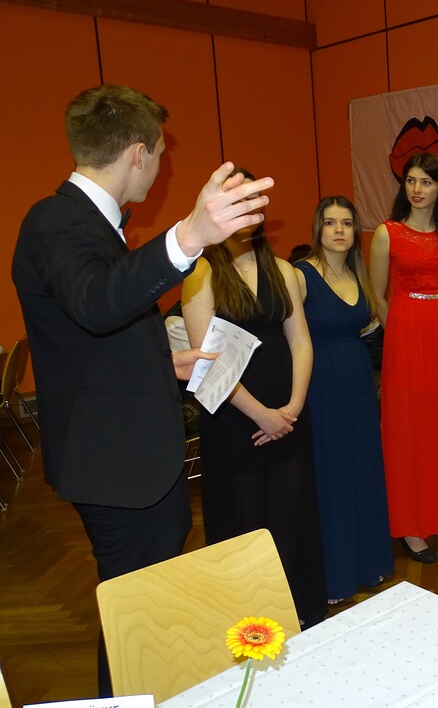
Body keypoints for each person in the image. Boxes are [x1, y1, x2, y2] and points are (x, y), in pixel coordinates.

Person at [11, 84, 273, 696]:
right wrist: (188, 235)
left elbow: (88, 333)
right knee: (138, 620)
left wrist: (158, 362)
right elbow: (97, 303)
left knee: (146, 613)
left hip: (127, 459)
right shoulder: (56, 221)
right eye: (159, 154)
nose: (160, 167)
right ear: (138, 152)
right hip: (116, 467)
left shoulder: (85, 225)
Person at [182, 168, 327, 627]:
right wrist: (262, 415)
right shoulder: (201, 273)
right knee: (244, 519)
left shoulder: (281, 268)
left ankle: (300, 617)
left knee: (292, 516)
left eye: (251, 201)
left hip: (288, 414)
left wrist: (292, 408)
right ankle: (249, 627)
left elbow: (301, 341)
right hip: (234, 420)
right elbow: (206, 363)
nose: (246, 210)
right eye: (235, 200)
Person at [369, 152, 438, 563]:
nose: (416, 189)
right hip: (406, 333)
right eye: (411, 180)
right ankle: (412, 526)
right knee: (410, 428)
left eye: (426, 182)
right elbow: (378, 295)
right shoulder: (387, 233)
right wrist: (399, 335)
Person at [293, 196, 394, 604]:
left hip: (357, 383)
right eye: (331, 222)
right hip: (320, 383)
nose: (339, 230)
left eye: (347, 223)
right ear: (318, 228)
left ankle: (367, 564)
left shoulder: (359, 273)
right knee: (330, 475)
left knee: (361, 470)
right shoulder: (300, 275)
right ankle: (334, 575)